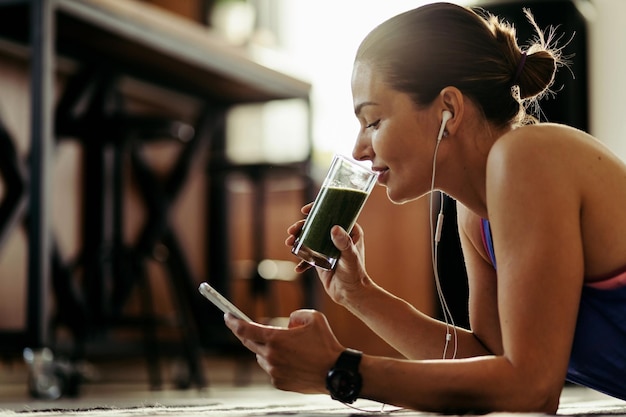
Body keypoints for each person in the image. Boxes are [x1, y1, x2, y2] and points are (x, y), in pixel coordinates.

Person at [225, 2, 626, 412]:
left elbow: (530, 388)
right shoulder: (476, 215)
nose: (358, 149)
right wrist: (358, 294)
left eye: (373, 121)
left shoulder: (528, 156)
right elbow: (492, 365)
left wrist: (339, 368)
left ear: (447, 109)